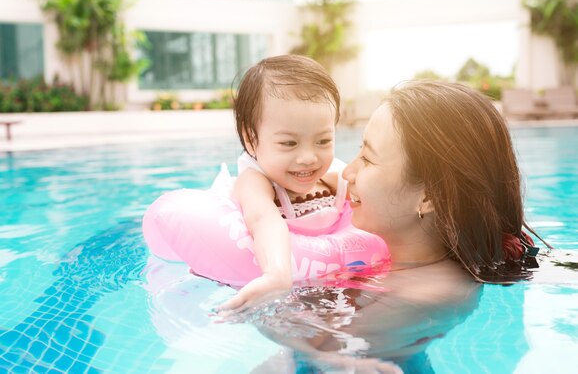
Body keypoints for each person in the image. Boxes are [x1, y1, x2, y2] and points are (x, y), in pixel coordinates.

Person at [246, 80, 549, 373]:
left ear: (428, 195)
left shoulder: (427, 297)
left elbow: (321, 352)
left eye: (367, 157)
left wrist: (261, 311)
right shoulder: (399, 260)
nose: (347, 172)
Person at [220, 54, 346, 311]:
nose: (309, 158)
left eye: (323, 141)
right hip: (285, 298)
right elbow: (263, 218)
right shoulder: (253, 182)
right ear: (251, 138)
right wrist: (276, 274)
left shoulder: (333, 177)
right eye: (289, 143)